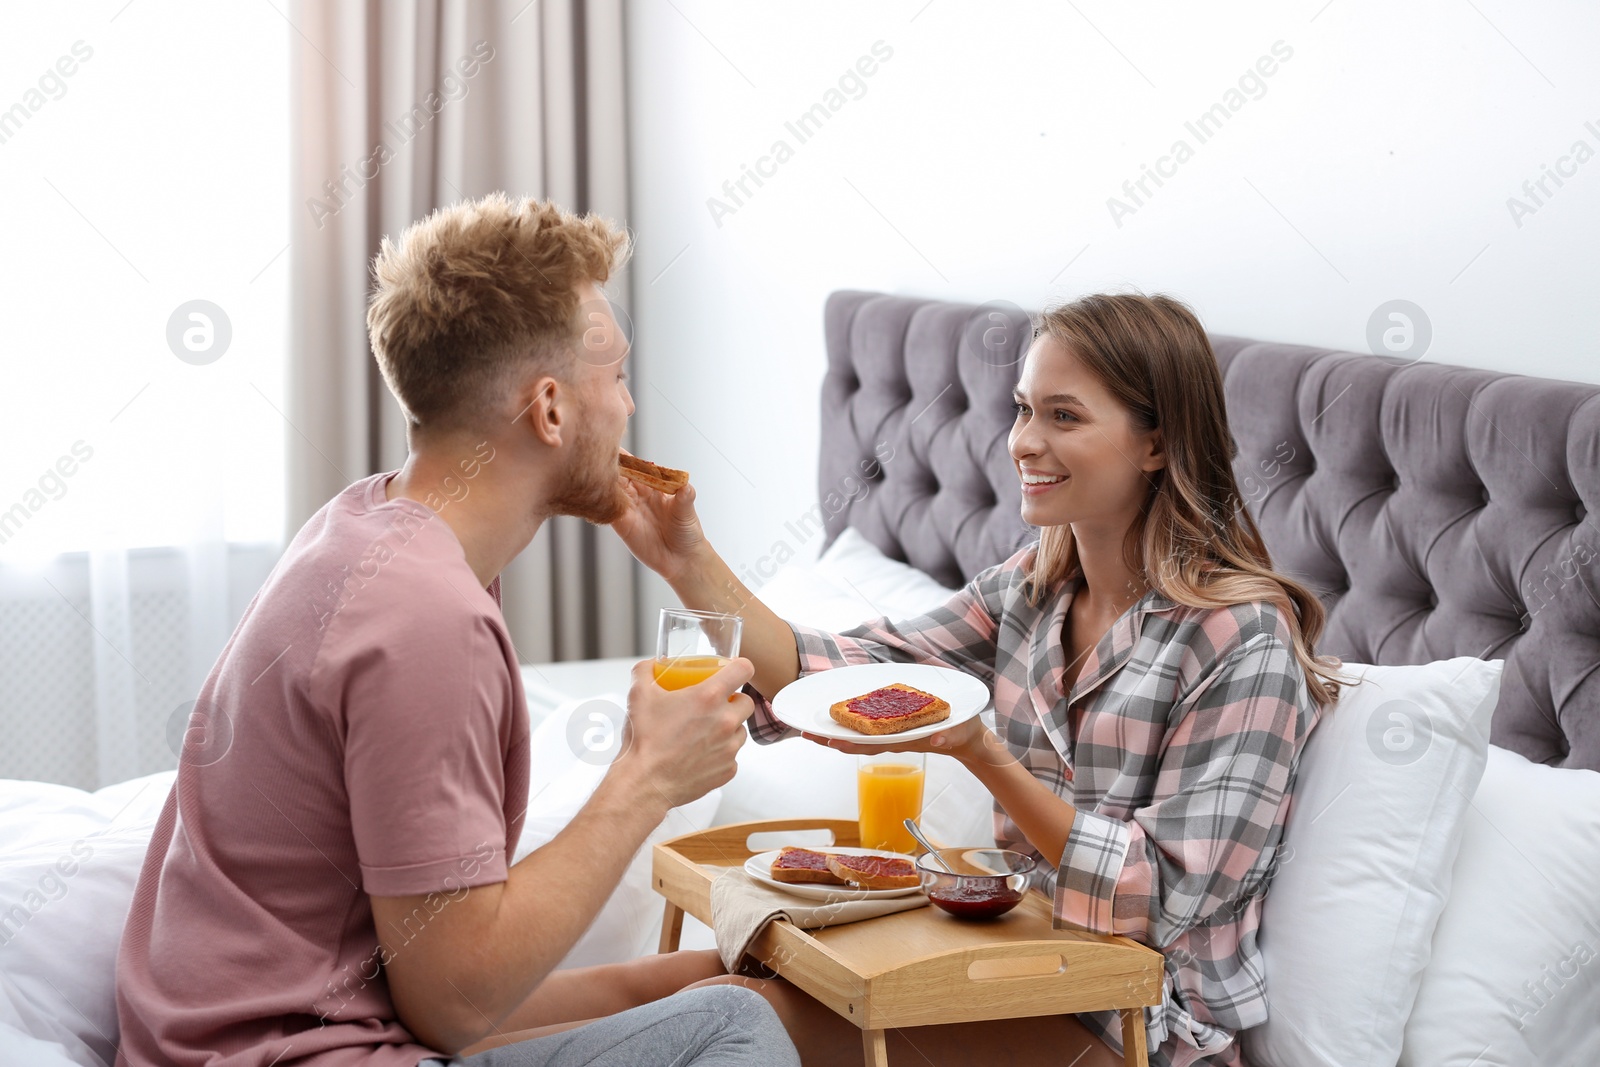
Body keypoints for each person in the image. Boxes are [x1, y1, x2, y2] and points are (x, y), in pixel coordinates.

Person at [114, 193, 798, 1067]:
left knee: (706, 989)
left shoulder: (364, 527)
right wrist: (648, 777)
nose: (628, 407)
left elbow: (413, 976)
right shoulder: (428, 621)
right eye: (618, 376)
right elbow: (454, 1003)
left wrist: (671, 982)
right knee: (741, 1029)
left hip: (228, 1036)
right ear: (550, 411)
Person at [614, 292, 1344, 1067]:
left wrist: (978, 752)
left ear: (1155, 445)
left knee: (739, 1015)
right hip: (1003, 973)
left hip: (1132, 1027)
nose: (1024, 442)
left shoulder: (1242, 640)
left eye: (1064, 416)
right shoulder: (1032, 589)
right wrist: (685, 559)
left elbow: (1159, 895)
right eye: (1025, 409)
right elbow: (849, 669)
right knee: (679, 985)